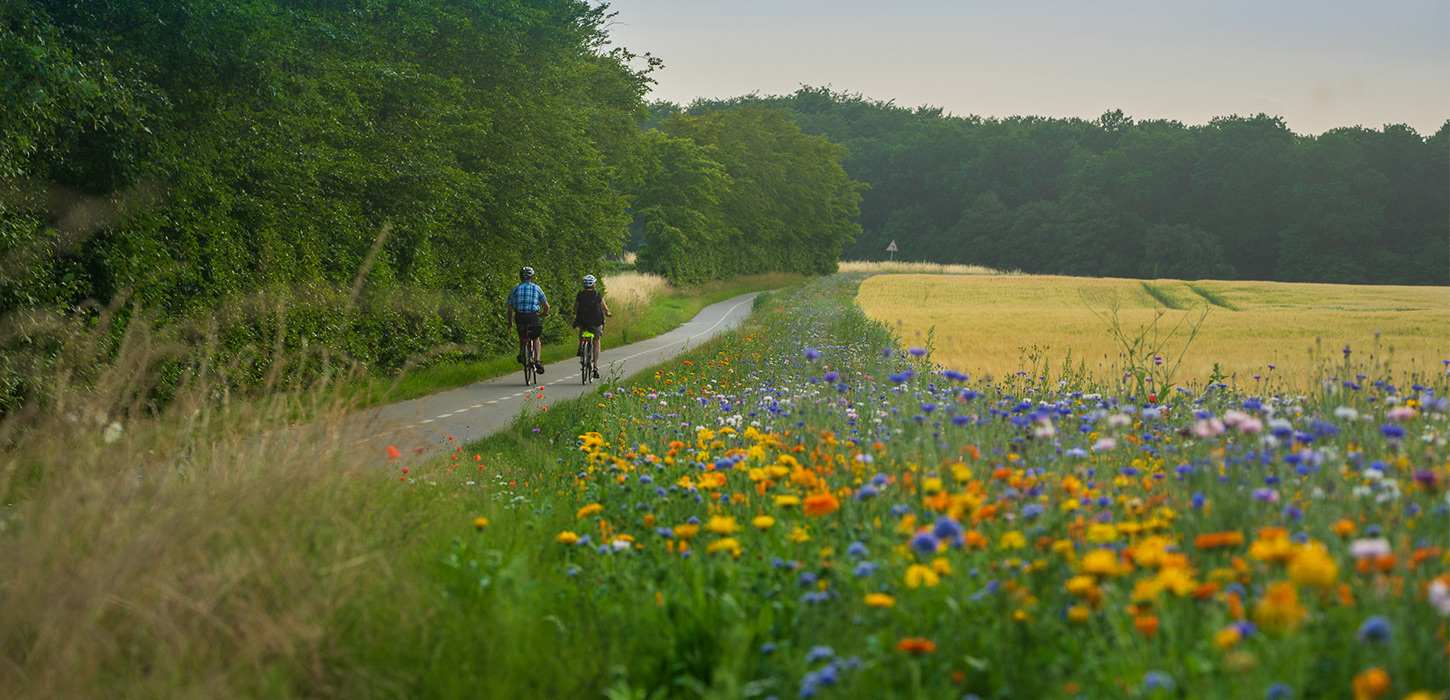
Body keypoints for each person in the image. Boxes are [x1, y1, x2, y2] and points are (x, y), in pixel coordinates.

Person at [506, 267, 549, 374]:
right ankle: (538, 360)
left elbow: (510, 309)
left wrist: (510, 323)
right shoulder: (537, 288)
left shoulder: (515, 289)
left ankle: (521, 353)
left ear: (520, 278)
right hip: (533, 316)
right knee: (536, 338)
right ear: (532, 278)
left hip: (520, 316)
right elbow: (546, 306)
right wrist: (543, 314)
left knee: (522, 334)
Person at [572, 274, 611, 379]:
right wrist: (608, 313)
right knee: (596, 342)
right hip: (596, 321)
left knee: (582, 329)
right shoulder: (597, 295)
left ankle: (581, 346)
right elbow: (604, 307)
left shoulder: (580, 295)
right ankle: (596, 367)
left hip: (584, 321)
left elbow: (575, 309)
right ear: (593, 285)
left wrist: (575, 312)